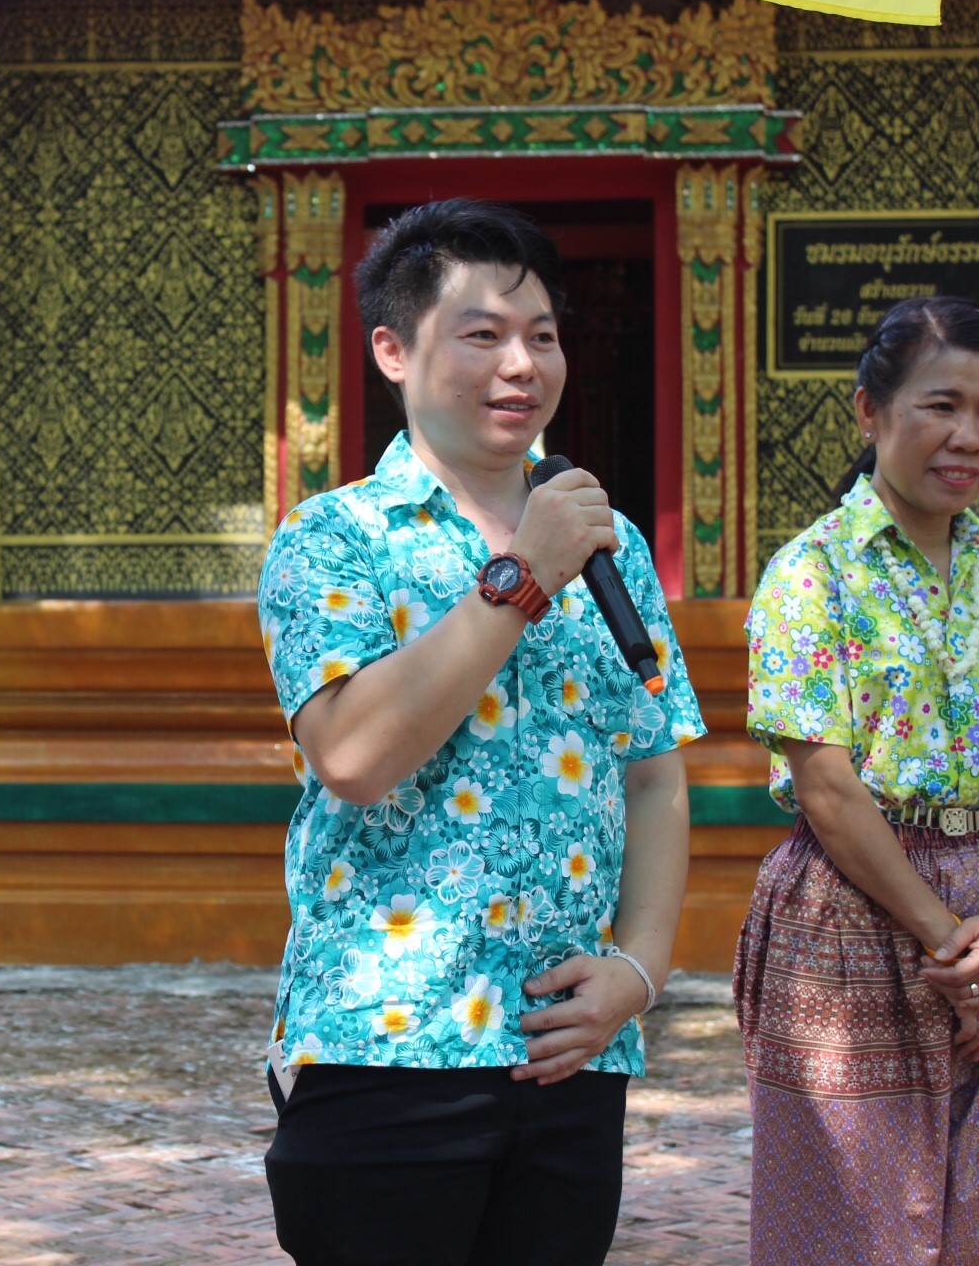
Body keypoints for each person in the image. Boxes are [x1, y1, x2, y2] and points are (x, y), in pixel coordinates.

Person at [256, 198, 704, 1266]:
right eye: (483, 333)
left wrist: (636, 973)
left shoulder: (611, 539)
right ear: (392, 350)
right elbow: (355, 757)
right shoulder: (333, 538)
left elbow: (654, 773)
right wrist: (522, 576)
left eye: (542, 335)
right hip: (386, 1045)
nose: (522, 363)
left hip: (567, 1054)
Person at [735, 296, 979, 1264]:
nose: (971, 435)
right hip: (850, 916)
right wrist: (945, 937)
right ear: (869, 412)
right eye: (941, 405)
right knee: (853, 1226)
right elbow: (828, 789)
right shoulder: (810, 574)